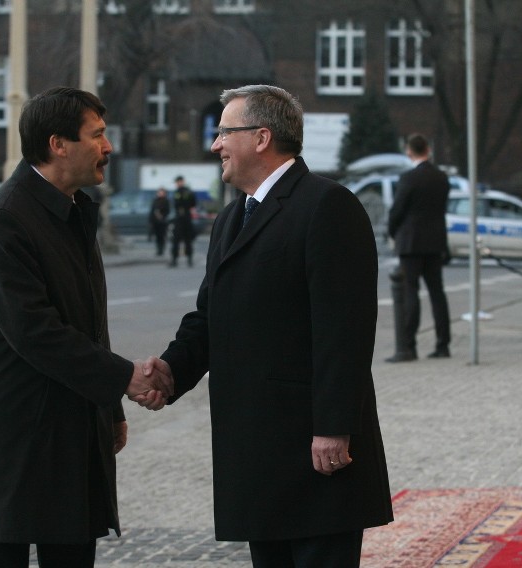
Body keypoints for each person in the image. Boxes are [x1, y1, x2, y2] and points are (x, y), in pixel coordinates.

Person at [140, 85, 392, 567]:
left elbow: (346, 330)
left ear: (261, 137)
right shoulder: (232, 217)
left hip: (314, 451)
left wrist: (335, 428)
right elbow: (210, 315)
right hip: (257, 450)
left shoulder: (327, 206)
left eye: (222, 133)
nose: (214, 145)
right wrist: (170, 372)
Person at [0, 86, 173, 568]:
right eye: (97, 136)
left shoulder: (72, 209)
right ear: (58, 144)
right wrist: (124, 378)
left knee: (72, 549)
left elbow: (90, 322)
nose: (108, 147)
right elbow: (35, 331)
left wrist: (109, 406)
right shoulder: (4, 220)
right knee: (2, 551)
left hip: (71, 421)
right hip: (15, 431)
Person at [385, 133, 452, 362]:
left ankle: (409, 345)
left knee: (410, 292)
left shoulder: (408, 178)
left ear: (409, 151)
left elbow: (397, 210)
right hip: (435, 241)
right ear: (429, 150)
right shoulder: (442, 177)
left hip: (411, 242)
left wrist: (393, 232)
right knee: (437, 293)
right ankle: (443, 344)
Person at [169, 175, 196, 267]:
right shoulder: (179, 192)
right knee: (176, 239)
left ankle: (189, 259)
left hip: (185, 218)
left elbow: (192, 203)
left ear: (182, 182)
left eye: (179, 181)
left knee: (188, 239)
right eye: (177, 182)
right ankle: (174, 259)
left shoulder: (187, 192)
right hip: (179, 218)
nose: (178, 183)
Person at [149, 187, 170, 256]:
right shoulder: (155, 201)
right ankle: (158, 249)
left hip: (162, 221)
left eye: (162, 193)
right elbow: (152, 210)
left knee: (162, 236)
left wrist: (162, 216)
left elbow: (167, 211)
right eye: (159, 193)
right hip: (155, 221)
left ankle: (161, 249)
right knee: (157, 236)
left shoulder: (166, 201)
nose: (160, 194)